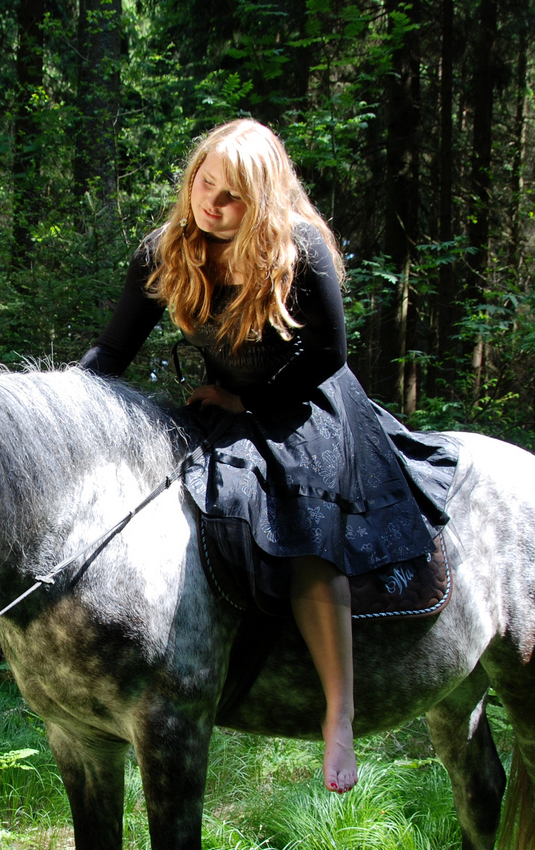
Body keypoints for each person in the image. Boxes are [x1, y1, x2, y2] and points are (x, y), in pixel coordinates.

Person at [79, 118, 457, 795]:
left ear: (263, 202)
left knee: (307, 528)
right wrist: (63, 399)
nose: (212, 205)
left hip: (307, 401)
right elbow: (113, 353)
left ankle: (338, 714)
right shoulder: (164, 251)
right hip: (227, 400)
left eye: (232, 199)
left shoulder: (298, 249)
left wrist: (247, 405)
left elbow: (328, 355)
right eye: (205, 184)